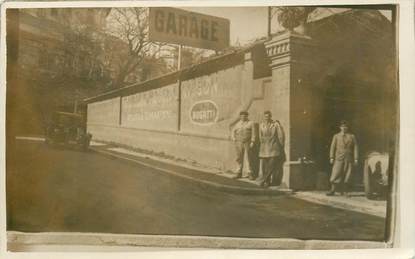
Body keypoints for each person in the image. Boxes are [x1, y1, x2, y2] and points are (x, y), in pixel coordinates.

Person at [327, 120, 359, 196]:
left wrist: (356, 158)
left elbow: (356, 147)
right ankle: (333, 190)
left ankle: (345, 191)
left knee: (348, 174)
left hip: (348, 158)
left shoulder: (352, 136)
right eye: (342, 126)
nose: (344, 128)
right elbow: (332, 147)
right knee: (336, 173)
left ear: (347, 128)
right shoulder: (336, 136)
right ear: (340, 127)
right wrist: (331, 157)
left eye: (346, 127)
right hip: (339, 158)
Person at [258, 111, 285, 188]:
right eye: (265, 116)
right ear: (264, 117)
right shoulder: (261, 125)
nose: (267, 118)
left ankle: (263, 180)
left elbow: (280, 136)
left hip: (274, 147)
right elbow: (260, 137)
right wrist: (262, 145)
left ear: (271, 116)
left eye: (268, 116)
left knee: (271, 165)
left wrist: (281, 146)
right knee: (264, 166)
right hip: (264, 147)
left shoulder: (275, 125)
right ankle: (267, 181)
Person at [231, 111, 256, 180]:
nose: (243, 117)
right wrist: (234, 139)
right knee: (239, 158)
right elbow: (233, 131)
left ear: (247, 116)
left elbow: (254, 133)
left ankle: (249, 173)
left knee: (248, 157)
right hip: (239, 142)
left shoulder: (251, 123)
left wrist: (252, 141)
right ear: (240, 116)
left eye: (245, 116)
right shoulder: (238, 124)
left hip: (247, 142)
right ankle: (238, 173)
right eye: (242, 116)